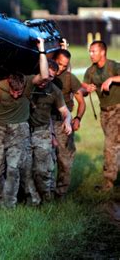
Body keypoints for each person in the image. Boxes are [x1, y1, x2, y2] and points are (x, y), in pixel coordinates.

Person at [0, 38, 49, 209]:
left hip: (20, 131)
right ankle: (4, 196)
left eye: (19, 92)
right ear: (9, 84)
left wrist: (41, 50)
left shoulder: (28, 82)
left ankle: (9, 206)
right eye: (14, 91)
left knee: (13, 168)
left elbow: (45, 75)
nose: (17, 95)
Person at [29, 59, 72, 202]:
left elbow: (65, 111)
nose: (45, 79)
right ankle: (31, 200)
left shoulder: (54, 90)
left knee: (43, 169)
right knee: (24, 169)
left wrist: (67, 121)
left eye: (51, 77)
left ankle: (47, 199)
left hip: (42, 132)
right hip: (22, 131)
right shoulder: (29, 84)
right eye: (45, 75)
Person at [82, 40, 120, 191]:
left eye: (94, 51)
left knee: (110, 146)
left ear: (102, 52)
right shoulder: (90, 71)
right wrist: (87, 89)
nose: (91, 54)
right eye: (90, 51)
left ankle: (108, 183)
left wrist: (111, 79)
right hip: (104, 112)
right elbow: (83, 91)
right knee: (115, 145)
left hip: (117, 110)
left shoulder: (113, 66)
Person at [52, 45, 86, 197]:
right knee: (45, 160)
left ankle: (61, 193)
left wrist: (78, 118)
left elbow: (81, 102)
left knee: (65, 160)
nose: (61, 68)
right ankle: (45, 193)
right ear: (54, 60)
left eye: (65, 65)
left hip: (63, 122)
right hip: (45, 122)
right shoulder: (46, 74)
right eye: (59, 63)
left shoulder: (70, 78)